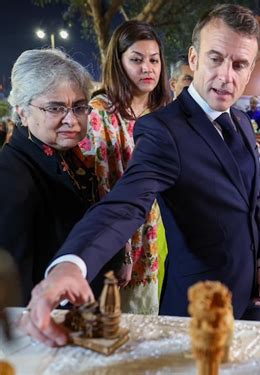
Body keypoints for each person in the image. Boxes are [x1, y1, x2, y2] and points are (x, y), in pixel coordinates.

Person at [21, 4, 260, 347]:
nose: (226, 75)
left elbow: (253, 199)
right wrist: (72, 264)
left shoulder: (244, 123)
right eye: (215, 58)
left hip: (253, 298)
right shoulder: (163, 129)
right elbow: (126, 202)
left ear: (250, 69)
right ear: (194, 58)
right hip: (197, 305)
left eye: (239, 64)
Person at [0, 49, 120, 305]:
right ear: (22, 111)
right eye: (55, 108)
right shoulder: (11, 176)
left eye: (79, 107)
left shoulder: (69, 154)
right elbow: (13, 285)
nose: (72, 120)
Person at [78, 20, 171, 314]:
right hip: (122, 238)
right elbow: (103, 189)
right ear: (118, 63)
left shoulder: (164, 111)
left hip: (163, 232)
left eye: (154, 60)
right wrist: (123, 254)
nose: (148, 68)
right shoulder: (101, 113)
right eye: (136, 59)